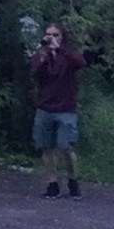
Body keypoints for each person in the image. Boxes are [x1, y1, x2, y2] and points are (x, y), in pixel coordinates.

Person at [31, 22, 87, 200]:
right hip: (45, 107)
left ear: (62, 37)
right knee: (46, 147)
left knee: (66, 146)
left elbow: (80, 63)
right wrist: (44, 56)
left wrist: (59, 50)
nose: (51, 38)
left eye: (55, 35)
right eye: (48, 35)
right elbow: (35, 74)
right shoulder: (41, 54)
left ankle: (73, 180)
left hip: (65, 108)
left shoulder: (69, 54)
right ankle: (52, 183)